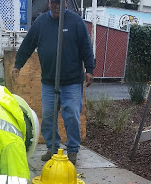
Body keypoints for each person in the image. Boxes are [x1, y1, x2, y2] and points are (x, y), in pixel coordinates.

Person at [12, 0, 95, 165]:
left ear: (65, 3)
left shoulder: (76, 22)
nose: (57, 6)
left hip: (72, 81)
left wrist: (90, 69)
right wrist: (17, 65)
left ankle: (72, 150)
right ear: (49, 3)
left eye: (60, 3)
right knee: (49, 116)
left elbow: (86, 46)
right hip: (49, 82)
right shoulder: (41, 23)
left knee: (71, 114)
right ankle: (52, 148)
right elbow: (28, 45)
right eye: (54, 3)